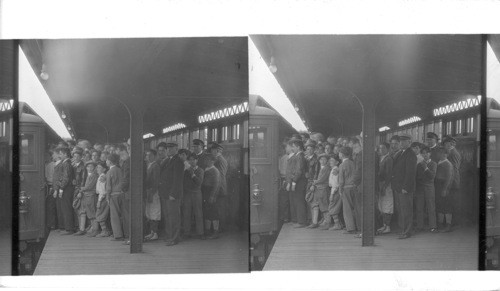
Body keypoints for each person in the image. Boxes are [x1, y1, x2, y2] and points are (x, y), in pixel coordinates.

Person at [158, 142, 185, 246]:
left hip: (172, 194)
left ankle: (174, 238)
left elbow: (178, 180)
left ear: (176, 149)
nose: (169, 150)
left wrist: (173, 194)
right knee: (168, 216)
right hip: (166, 193)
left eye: (171, 148)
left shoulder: (178, 161)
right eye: (168, 148)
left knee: (174, 217)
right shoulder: (169, 160)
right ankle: (169, 236)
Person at [391, 133, 417, 239]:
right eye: (400, 141)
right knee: (401, 210)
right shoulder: (401, 153)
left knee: (406, 210)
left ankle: (407, 232)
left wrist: (406, 187)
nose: (401, 143)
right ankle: (402, 230)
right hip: (398, 187)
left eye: (403, 141)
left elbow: (410, 173)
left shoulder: (410, 154)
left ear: (409, 143)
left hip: (404, 188)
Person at [285, 139, 308, 228]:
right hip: (298, 181)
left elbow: (298, 171)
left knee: (299, 201)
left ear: (298, 147)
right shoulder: (298, 156)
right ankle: (299, 220)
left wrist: (293, 182)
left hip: (299, 182)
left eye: (294, 147)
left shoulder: (300, 157)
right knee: (298, 201)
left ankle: (302, 222)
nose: (292, 148)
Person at [182, 153, 205, 239]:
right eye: (190, 160)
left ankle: (201, 233)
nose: (192, 161)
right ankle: (186, 233)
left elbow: (199, 182)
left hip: (196, 194)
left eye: (193, 159)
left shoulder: (201, 170)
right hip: (187, 194)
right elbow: (184, 183)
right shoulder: (185, 171)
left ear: (197, 160)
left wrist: (192, 174)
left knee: (198, 213)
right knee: (186, 213)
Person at [415, 146, 437, 232]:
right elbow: (417, 177)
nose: (425, 155)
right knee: (419, 207)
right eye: (423, 153)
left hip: (429, 188)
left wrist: (426, 168)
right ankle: (420, 226)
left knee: (431, 207)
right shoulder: (419, 165)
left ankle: (433, 226)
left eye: (426, 153)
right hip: (420, 189)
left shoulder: (434, 164)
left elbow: (432, 176)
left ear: (430, 154)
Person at [54, 147, 76, 235]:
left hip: (66, 188)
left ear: (65, 154)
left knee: (66, 208)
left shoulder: (66, 163)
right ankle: (68, 228)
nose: (59, 155)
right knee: (66, 208)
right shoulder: (67, 163)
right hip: (67, 188)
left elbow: (66, 178)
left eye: (60, 154)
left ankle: (69, 229)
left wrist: (61, 189)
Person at [442, 136, 462, 231]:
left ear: (451, 144)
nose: (444, 146)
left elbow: (453, 170)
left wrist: (447, 186)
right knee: (450, 203)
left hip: (452, 182)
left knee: (449, 203)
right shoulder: (453, 152)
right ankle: (452, 223)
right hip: (453, 181)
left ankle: (449, 225)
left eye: (445, 144)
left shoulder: (453, 153)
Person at [75, 161, 98, 236]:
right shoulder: (89, 175)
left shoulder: (94, 175)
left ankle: (95, 230)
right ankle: (93, 229)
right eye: (88, 167)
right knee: (90, 213)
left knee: (92, 213)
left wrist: (81, 189)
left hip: (91, 195)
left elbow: (89, 186)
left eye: (91, 166)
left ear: (94, 167)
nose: (89, 168)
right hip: (88, 195)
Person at [308, 153, 331, 228]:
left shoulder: (326, 168)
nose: (322, 161)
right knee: (322, 205)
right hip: (320, 189)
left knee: (325, 206)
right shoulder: (322, 168)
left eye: (324, 159)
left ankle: (328, 223)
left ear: (327, 160)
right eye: (321, 159)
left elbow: (322, 179)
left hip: (323, 188)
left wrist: (314, 183)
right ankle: (325, 222)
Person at [319, 155, 342, 230]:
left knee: (332, 207)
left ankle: (337, 224)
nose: (330, 162)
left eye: (332, 161)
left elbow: (335, 184)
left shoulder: (335, 170)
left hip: (335, 191)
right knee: (333, 207)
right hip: (333, 190)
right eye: (330, 161)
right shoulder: (334, 169)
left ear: (337, 162)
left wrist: (332, 194)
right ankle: (337, 224)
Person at [338, 146, 357, 234]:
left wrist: (340, 189)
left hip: (346, 188)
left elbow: (341, 180)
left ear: (341, 154)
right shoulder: (353, 163)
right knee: (355, 207)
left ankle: (350, 228)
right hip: (354, 187)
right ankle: (357, 226)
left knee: (347, 209)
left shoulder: (342, 165)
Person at [202, 154, 221, 239]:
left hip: (211, 193)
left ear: (213, 161)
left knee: (214, 213)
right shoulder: (206, 169)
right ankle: (208, 231)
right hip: (205, 192)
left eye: (208, 160)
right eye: (206, 159)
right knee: (207, 212)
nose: (206, 161)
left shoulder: (215, 170)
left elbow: (216, 185)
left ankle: (216, 232)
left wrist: (212, 196)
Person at [435, 146, 454, 232]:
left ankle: (448, 225)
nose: (440, 154)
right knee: (440, 205)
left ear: (446, 154)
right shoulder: (439, 162)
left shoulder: (448, 164)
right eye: (439, 153)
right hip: (438, 186)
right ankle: (440, 224)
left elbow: (449, 178)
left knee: (447, 206)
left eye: (442, 153)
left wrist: (445, 189)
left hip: (444, 186)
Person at [376, 142, 394, 235]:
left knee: (387, 205)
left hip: (386, 185)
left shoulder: (388, 159)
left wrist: (385, 186)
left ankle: (388, 226)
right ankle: (384, 225)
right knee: (382, 205)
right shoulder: (380, 158)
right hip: (381, 184)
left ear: (388, 149)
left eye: (383, 148)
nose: (381, 150)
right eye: (379, 148)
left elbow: (389, 174)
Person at [106, 153, 124, 241]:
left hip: (113, 195)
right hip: (121, 194)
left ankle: (117, 235)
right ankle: (124, 233)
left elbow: (108, 186)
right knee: (122, 214)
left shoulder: (109, 172)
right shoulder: (120, 170)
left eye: (107, 160)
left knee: (114, 215)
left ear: (109, 161)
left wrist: (107, 197)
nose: (106, 161)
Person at [211, 143, 229, 232]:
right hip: (221, 187)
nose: (211, 152)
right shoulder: (222, 159)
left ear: (217, 151)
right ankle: (221, 228)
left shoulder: (218, 160)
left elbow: (220, 176)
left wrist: (216, 189)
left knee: (219, 209)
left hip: (219, 187)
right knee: (220, 209)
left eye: (212, 150)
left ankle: (221, 229)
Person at [144, 149, 161, 241]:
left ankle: (155, 233)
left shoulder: (155, 166)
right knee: (149, 212)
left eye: (149, 155)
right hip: (149, 192)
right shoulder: (148, 165)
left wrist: (152, 193)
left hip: (153, 192)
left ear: (154, 156)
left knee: (154, 212)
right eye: (146, 155)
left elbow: (156, 181)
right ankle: (151, 232)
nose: (147, 157)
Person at [117, 144, 131, 244]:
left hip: (128, 192)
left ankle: (130, 237)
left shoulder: (128, 162)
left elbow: (126, 178)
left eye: (123, 154)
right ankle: (130, 236)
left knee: (128, 215)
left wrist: (122, 188)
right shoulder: (128, 161)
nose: (121, 156)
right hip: (130, 192)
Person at [94, 162, 111, 237]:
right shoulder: (101, 176)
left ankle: (105, 231)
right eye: (97, 167)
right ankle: (105, 230)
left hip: (102, 198)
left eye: (99, 167)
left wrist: (99, 201)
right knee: (101, 214)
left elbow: (102, 191)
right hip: (102, 197)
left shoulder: (102, 177)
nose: (97, 169)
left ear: (104, 169)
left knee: (100, 214)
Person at [278, 139, 292, 223]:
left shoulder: (284, 158)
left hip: (285, 179)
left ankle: (285, 217)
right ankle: (286, 216)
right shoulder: (284, 157)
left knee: (284, 199)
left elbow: (282, 170)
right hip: (285, 179)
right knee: (286, 199)